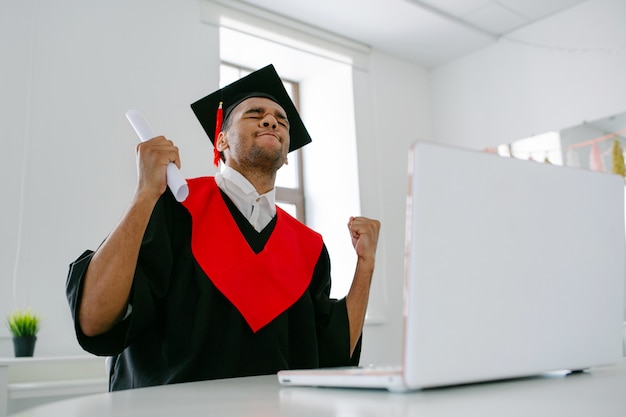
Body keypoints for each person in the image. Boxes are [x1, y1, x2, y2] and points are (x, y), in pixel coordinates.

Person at [66, 64, 380, 391]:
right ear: (221, 140)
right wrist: (145, 193)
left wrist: (366, 266)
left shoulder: (309, 247)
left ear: (287, 155)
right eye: (254, 114)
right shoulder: (174, 206)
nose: (271, 120)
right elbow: (95, 319)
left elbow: (329, 356)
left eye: (281, 119)